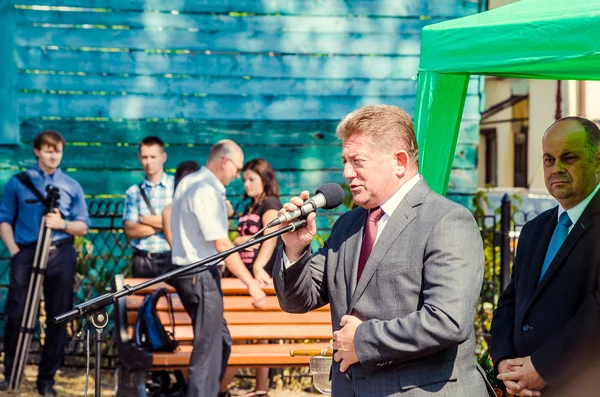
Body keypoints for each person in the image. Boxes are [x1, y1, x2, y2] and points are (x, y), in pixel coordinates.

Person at [273, 105, 493, 396]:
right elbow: (298, 301)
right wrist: (295, 249)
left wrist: (362, 340)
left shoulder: (447, 220)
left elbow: (448, 321)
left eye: (357, 161)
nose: (346, 172)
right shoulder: (348, 224)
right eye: (344, 160)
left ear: (399, 161)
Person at [490, 116, 600, 397]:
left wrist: (542, 367)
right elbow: (510, 303)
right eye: (549, 160)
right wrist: (505, 365)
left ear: (598, 160)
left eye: (569, 158)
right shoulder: (534, 229)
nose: (556, 168)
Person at [170, 139, 267, 397]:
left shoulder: (190, 183)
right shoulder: (204, 190)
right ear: (224, 161)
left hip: (190, 274)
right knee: (208, 349)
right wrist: (251, 283)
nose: (237, 175)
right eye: (236, 168)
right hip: (200, 275)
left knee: (220, 341)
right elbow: (221, 244)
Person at [0, 130, 90, 396]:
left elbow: (83, 226)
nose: (53, 155)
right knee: (16, 313)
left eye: (58, 150)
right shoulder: (18, 182)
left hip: (60, 252)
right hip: (26, 252)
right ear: (37, 151)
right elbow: (5, 219)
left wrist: (62, 223)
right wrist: (15, 251)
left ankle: (46, 379)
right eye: (48, 150)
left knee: (58, 316)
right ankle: (11, 374)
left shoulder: (72, 185)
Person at [220, 158, 283, 397]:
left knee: (252, 333)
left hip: (260, 276)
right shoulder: (249, 206)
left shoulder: (270, 204)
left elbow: (271, 234)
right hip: (243, 275)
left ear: (265, 180)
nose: (246, 184)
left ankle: (221, 389)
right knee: (254, 334)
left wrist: (258, 266)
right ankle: (260, 388)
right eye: (244, 179)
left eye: (252, 179)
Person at [123, 136, 174, 278]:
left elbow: (182, 224)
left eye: (153, 157)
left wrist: (143, 219)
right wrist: (166, 224)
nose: (148, 162)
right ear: (139, 158)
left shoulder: (176, 186)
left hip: (171, 257)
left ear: (163, 157)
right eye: (145, 157)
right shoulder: (133, 192)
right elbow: (130, 230)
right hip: (143, 259)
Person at [162, 160, 201, 247]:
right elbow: (173, 244)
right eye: (184, 179)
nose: (188, 183)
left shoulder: (204, 207)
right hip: (185, 259)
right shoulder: (169, 210)